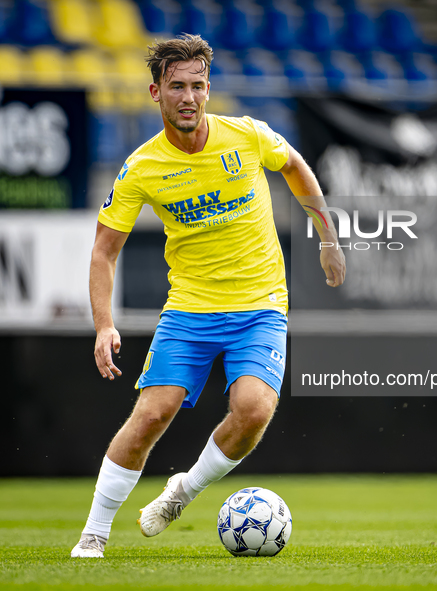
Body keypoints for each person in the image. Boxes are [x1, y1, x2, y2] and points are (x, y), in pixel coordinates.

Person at [71, 34, 345, 558]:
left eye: (198, 85)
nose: (189, 97)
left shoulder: (247, 136)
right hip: (191, 311)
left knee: (254, 411)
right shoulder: (142, 168)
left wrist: (328, 238)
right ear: (156, 93)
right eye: (177, 86)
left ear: (209, 89)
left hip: (260, 304)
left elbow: (295, 166)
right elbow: (103, 252)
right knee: (152, 415)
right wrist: (104, 323)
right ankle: (94, 534)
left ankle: (184, 491)